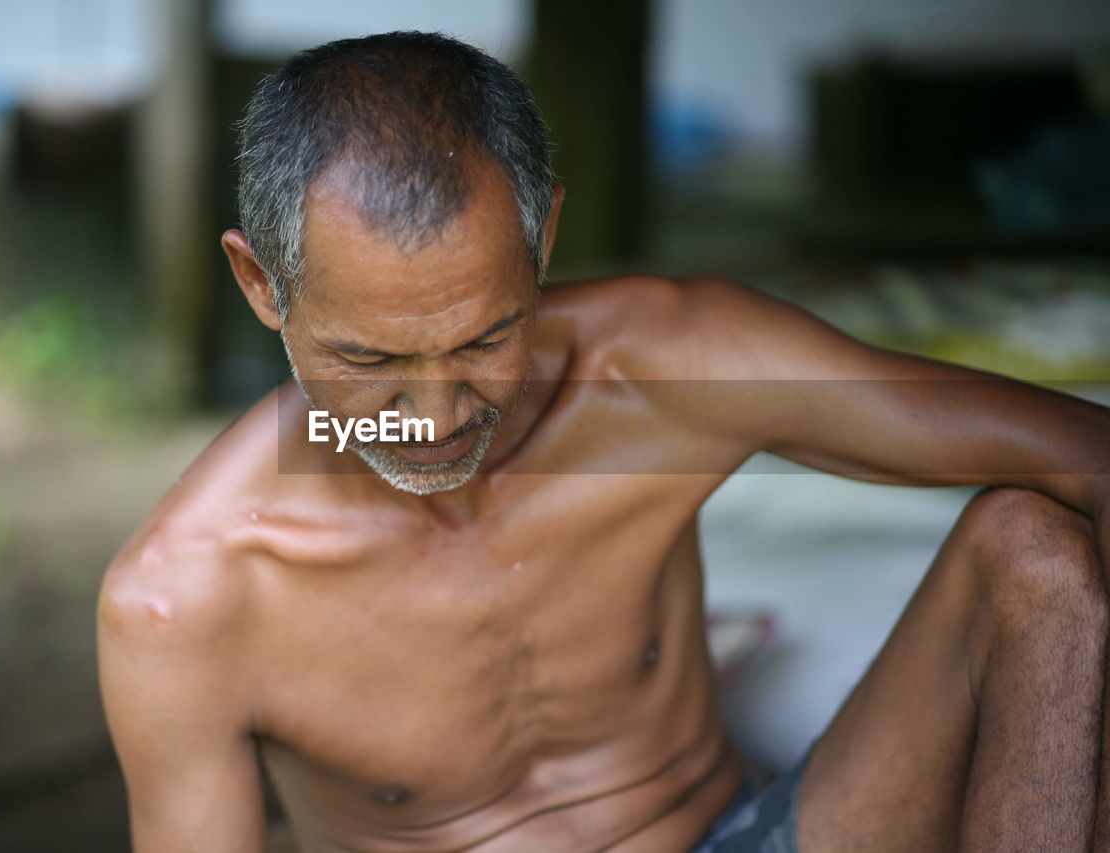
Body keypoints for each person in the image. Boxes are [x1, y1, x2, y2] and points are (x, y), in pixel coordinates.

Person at [97, 31, 1110, 852]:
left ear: (540, 244)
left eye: (488, 338)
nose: (440, 414)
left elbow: (1086, 452)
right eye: (368, 361)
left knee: (1030, 547)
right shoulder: (187, 598)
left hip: (739, 837)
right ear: (260, 285)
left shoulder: (657, 367)